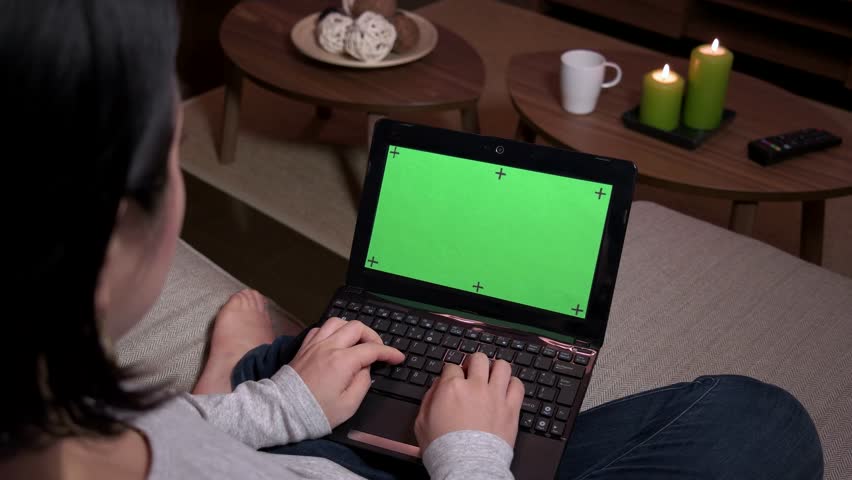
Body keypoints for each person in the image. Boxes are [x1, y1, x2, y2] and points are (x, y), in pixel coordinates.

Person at [1, 1, 824, 479]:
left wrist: (274, 401)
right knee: (760, 423)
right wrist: (468, 452)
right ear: (111, 239)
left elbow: (171, 447)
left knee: (307, 356)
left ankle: (262, 373)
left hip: (289, 443)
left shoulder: (65, 424)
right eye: (173, 154)